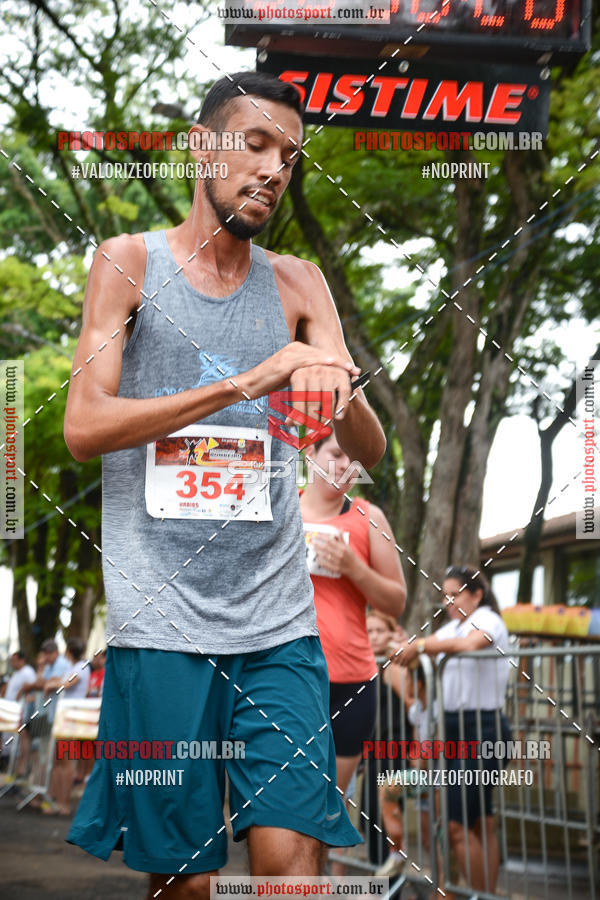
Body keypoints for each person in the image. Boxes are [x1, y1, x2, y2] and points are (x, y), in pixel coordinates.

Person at [63, 71, 388, 898]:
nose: (275, 167)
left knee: (292, 861)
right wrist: (247, 381)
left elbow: (370, 447)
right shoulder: (128, 264)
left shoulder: (300, 283)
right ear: (201, 146)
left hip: (278, 627)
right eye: (254, 144)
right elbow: (82, 428)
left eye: (289, 154)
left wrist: (331, 379)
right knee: (185, 878)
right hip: (161, 623)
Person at [394, 565, 510, 897]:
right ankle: (482, 892)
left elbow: (472, 644)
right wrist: (403, 646)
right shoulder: (450, 628)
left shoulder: (487, 619)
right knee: (479, 822)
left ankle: (477, 894)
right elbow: (419, 647)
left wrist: (419, 648)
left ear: (476, 594)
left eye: (454, 593)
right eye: (444, 595)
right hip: (455, 733)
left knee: (457, 826)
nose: (448, 601)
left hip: (483, 730)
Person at [365, 612, 410, 878]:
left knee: (385, 821)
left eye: (380, 631)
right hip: (373, 749)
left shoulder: (395, 665)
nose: (374, 637)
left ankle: (389, 888)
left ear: (393, 632)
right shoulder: (369, 664)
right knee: (371, 818)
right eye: (369, 631)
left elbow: (413, 705)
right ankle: (380, 883)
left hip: (394, 749)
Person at [43, 637, 91, 815]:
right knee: (57, 761)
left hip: (72, 717)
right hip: (64, 716)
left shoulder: (81, 667)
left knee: (67, 761)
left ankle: (64, 802)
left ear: (69, 652)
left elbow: (68, 683)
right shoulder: (75, 667)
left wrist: (51, 684)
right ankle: (55, 800)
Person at [2, 650, 36, 776]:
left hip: (22, 713)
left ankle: (21, 770)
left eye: (14, 661)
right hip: (11, 714)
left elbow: (32, 689)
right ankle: (14, 770)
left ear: (22, 660)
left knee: (22, 740)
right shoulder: (16, 674)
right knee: (13, 743)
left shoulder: (28, 672)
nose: (12, 663)